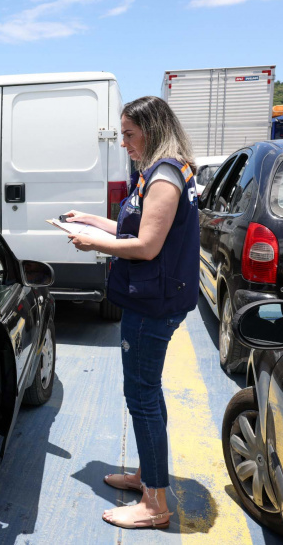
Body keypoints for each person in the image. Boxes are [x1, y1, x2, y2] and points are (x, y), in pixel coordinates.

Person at [64, 96, 199, 530]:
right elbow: (134, 228)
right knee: (148, 393)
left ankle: (154, 502)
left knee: (141, 396)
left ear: (152, 130)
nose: (123, 143)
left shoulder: (164, 177)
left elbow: (146, 246)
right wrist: (91, 220)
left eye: (129, 134)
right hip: (154, 298)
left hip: (152, 303)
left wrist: (91, 243)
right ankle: (147, 475)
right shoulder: (161, 172)